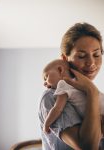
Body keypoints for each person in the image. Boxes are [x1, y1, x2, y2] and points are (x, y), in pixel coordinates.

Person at [38, 22, 104, 150]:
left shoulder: (91, 97)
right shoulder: (52, 95)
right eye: (81, 56)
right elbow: (88, 147)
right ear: (64, 58)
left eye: (96, 54)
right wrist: (92, 91)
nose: (91, 63)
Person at [42, 59, 104, 134]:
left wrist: (46, 124)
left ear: (60, 70)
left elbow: (57, 108)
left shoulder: (63, 84)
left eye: (46, 77)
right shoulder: (80, 82)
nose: (45, 84)